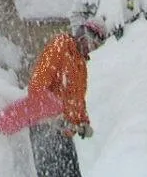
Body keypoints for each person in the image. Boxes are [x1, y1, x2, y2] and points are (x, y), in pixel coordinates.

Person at [26, 17, 106, 177]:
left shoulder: (80, 63)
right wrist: (52, 116)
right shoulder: (60, 46)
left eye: (96, 47)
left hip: (64, 132)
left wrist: (83, 122)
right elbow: (37, 85)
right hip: (46, 129)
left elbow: (76, 99)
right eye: (92, 44)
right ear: (84, 36)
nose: (91, 50)